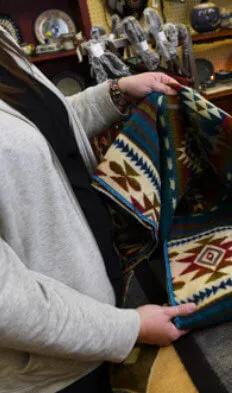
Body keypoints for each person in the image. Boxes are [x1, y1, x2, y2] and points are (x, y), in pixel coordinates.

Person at [0, 28, 196, 393]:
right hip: (54, 371)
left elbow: (38, 134)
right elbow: (6, 303)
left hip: (103, 320)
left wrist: (116, 93)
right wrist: (128, 329)